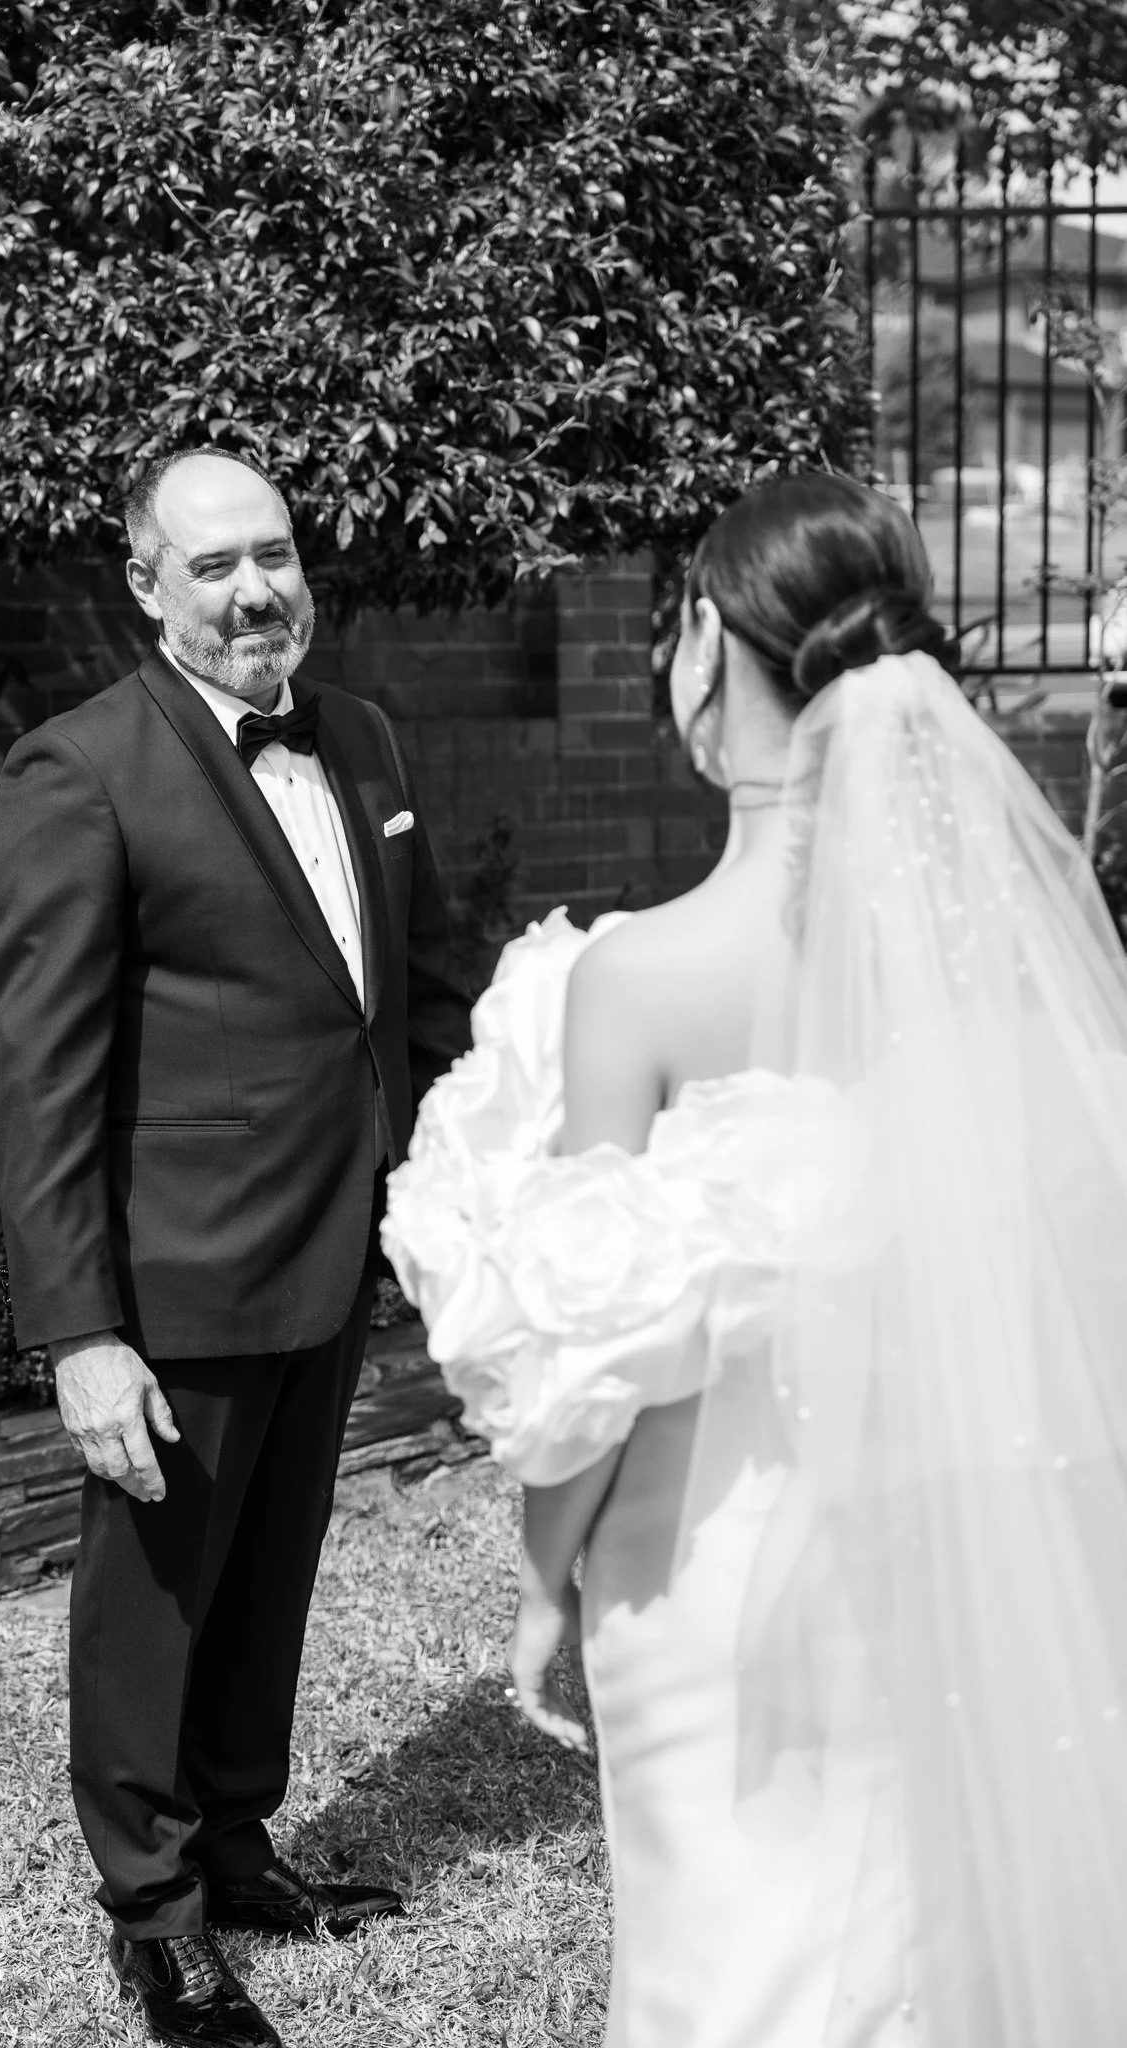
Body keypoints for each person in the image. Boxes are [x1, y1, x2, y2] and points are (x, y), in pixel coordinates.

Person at [384, 472, 1127, 2046]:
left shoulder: (640, 979)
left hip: (707, 1561)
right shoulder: (985, 967)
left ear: (709, 645)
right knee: (912, 1939)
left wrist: (541, 1583)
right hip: (930, 1534)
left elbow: (592, 1348)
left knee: (732, 1961)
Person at [0, 447, 473, 2048]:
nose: (257, 589)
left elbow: (412, 994)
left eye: (276, 553)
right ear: (147, 586)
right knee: (155, 1613)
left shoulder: (365, 736)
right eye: (214, 565)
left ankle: (240, 1847)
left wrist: (464, 1183)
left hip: (334, 1254)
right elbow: (44, 1078)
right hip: (178, 1282)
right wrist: (81, 1333)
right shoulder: (80, 769)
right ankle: (157, 1921)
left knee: (271, 1581)